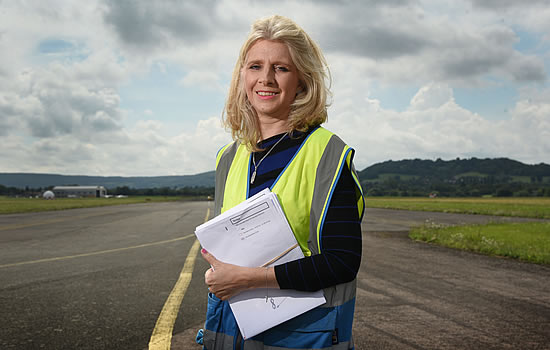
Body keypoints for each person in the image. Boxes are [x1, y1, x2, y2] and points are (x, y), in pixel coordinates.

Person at [199, 14, 365, 350]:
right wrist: (219, 274)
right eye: (255, 66)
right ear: (242, 76)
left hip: (303, 336)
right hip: (232, 333)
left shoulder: (327, 155)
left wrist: (246, 279)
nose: (266, 79)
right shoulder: (228, 158)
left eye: (281, 68)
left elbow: (342, 261)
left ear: (302, 81)